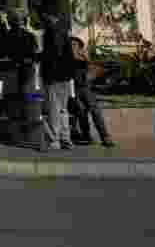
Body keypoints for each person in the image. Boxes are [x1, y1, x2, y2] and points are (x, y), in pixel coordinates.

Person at [69, 36, 115, 147]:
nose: (72, 46)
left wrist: (85, 58)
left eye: (75, 45)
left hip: (85, 88)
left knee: (95, 111)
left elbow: (91, 69)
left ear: (79, 47)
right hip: (73, 89)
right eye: (71, 44)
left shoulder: (83, 57)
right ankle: (87, 136)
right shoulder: (66, 58)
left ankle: (105, 136)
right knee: (81, 112)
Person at [41, 14, 76, 151]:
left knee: (53, 109)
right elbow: (68, 56)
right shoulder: (64, 32)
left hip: (54, 76)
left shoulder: (50, 33)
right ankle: (66, 139)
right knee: (63, 109)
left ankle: (54, 140)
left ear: (49, 20)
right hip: (65, 77)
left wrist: (41, 59)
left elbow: (51, 55)